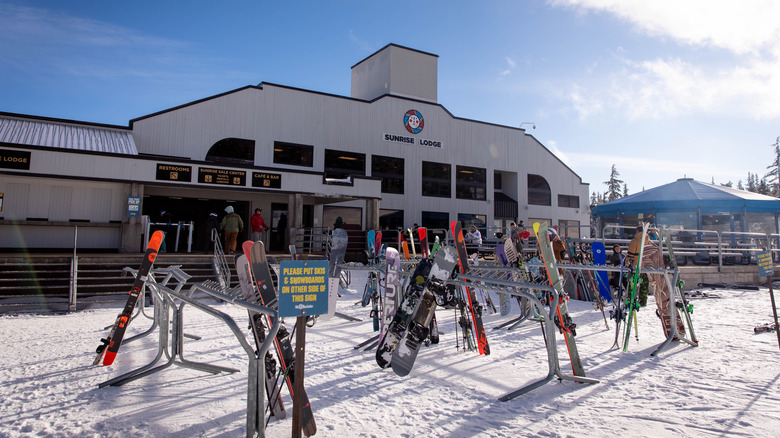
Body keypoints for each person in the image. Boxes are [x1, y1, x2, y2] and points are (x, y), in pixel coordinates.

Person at [627, 225, 686, 339]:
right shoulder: (651, 243)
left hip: (638, 268)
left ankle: (634, 300)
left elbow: (630, 256)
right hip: (653, 272)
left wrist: (629, 264)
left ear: (637, 231)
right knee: (650, 287)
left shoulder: (635, 242)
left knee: (637, 288)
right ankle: (643, 301)